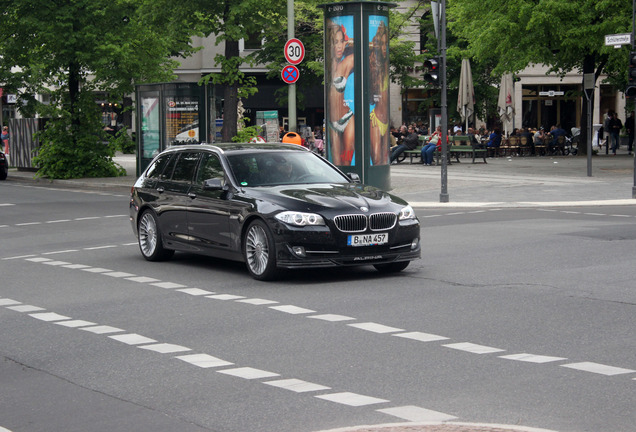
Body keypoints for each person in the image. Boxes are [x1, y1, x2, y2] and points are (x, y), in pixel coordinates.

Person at [327, 20, 355, 166]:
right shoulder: (328, 65)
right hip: (332, 123)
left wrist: (348, 40)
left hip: (347, 118)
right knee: (335, 166)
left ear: (345, 43)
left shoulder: (348, 62)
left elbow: (364, 49)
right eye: (334, 42)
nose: (338, 46)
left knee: (347, 162)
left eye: (341, 42)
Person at [368, 20, 390, 166]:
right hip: (376, 121)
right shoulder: (374, 67)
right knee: (377, 161)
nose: (383, 48)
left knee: (383, 161)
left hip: (386, 122)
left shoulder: (387, 67)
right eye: (380, 44)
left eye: (385, 44)